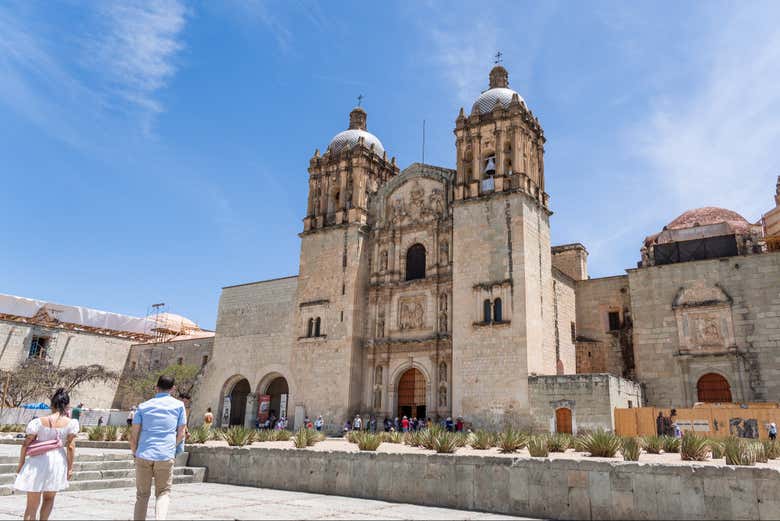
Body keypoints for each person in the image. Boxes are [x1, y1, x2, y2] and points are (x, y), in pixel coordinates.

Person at [15, 388, 79, 521]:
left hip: (37, 461)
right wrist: (70, 467)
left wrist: (21, 463)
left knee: (31, 506)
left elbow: (25, 444)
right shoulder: (71, 423)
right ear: (67, 405)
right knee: (49, 499)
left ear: (52, 404)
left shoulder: (38, 421)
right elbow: (71, 447)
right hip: (57, 461)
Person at [130, 375, 187, 521]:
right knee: (163, 492)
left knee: (142, 495)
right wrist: (170, 448)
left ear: (156, 388)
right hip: (165, 455)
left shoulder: (143, 406)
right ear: (173, 389)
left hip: (144, 454)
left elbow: (134, 435)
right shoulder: (179, 406)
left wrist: (135, 452)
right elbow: (181, 434)